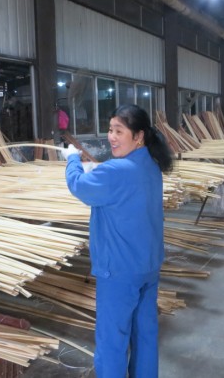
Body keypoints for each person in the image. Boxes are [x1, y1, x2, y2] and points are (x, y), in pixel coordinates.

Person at [64, 104, 173, 378]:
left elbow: (79, 186)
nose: (111, 137)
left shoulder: (116, 171)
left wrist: (72, 160)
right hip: (148, 266)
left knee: (112, 342)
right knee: (145, 335)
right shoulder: (151, 165)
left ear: (139, 136)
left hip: (119, 272)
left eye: (119, 131)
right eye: (110, 130)